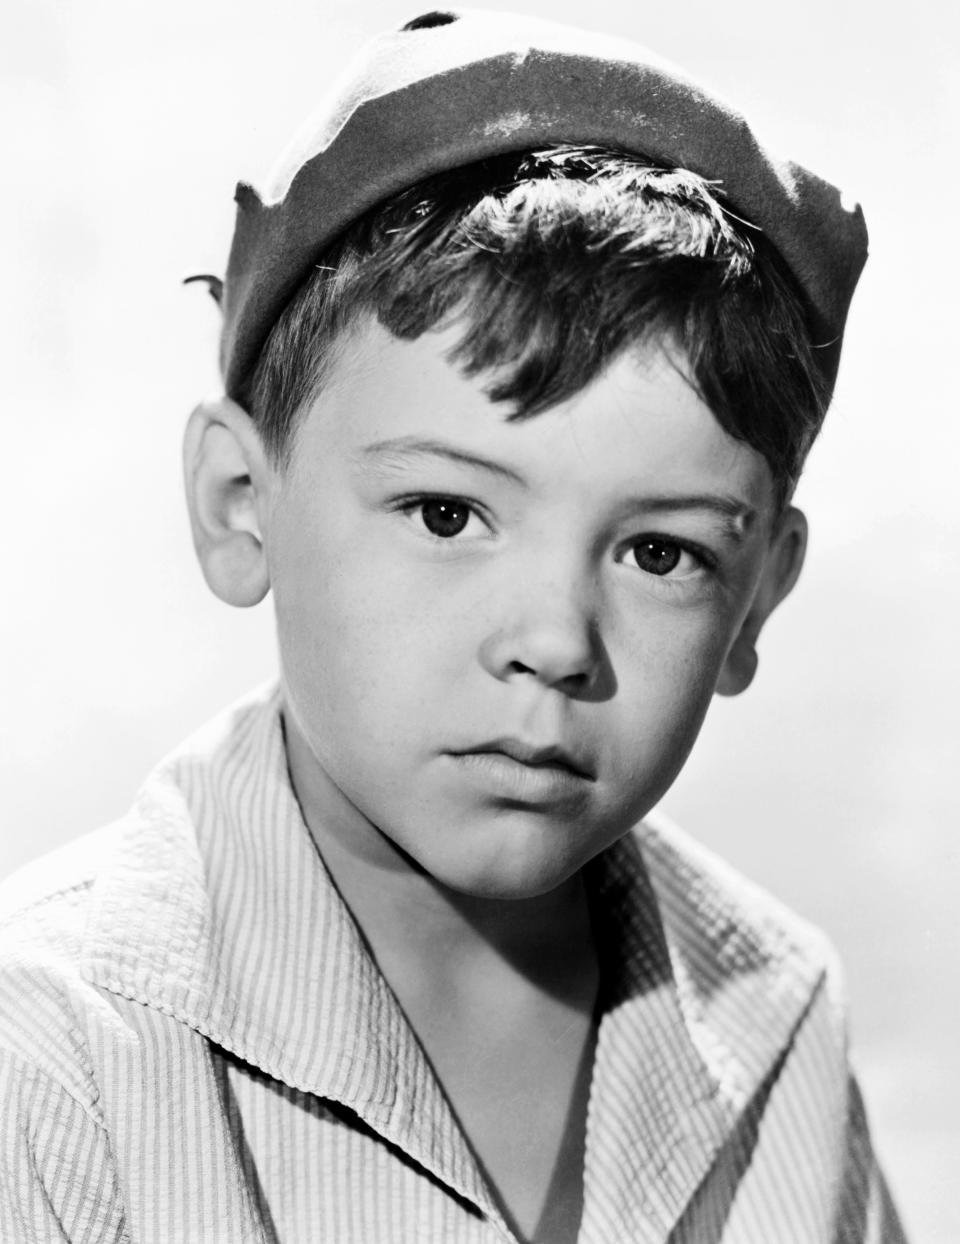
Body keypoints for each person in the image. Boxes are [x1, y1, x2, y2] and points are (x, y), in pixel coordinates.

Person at [0, 10, 906, 1243]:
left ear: (757, 600)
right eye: (445, 510)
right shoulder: (50, 1050)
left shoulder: (779, 1009)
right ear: (237, 502)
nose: (554, 641)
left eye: (662, 551)